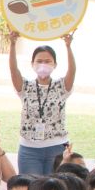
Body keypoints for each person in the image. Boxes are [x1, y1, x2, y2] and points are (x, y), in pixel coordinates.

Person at [9, 34, 74, 177]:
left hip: (57, 147)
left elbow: (72, 71)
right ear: (32, 64)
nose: (43, 64)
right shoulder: (25, 86)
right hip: (29, 149)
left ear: (55, 64)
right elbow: (13, 70)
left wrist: (68, 46)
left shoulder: (61, 86)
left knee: (57, 187)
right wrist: (12, 44)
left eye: (48, 61)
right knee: (30, 187)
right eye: (39, 61)